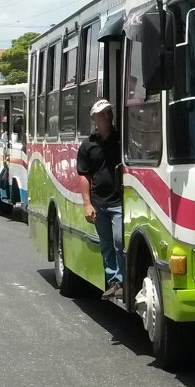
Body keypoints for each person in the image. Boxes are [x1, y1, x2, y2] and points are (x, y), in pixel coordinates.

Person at [76, 99, 124, 300]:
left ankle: (122, 281)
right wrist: (87, 204)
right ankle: (113, 281)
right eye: (103, 113)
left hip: (120, 201)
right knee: (106, 243)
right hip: (99, 203)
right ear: (94, 118)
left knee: (119, 240)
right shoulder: (88, 145)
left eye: (109, 112)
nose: (108, 115)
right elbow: (84, 176)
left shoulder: (123, 140)